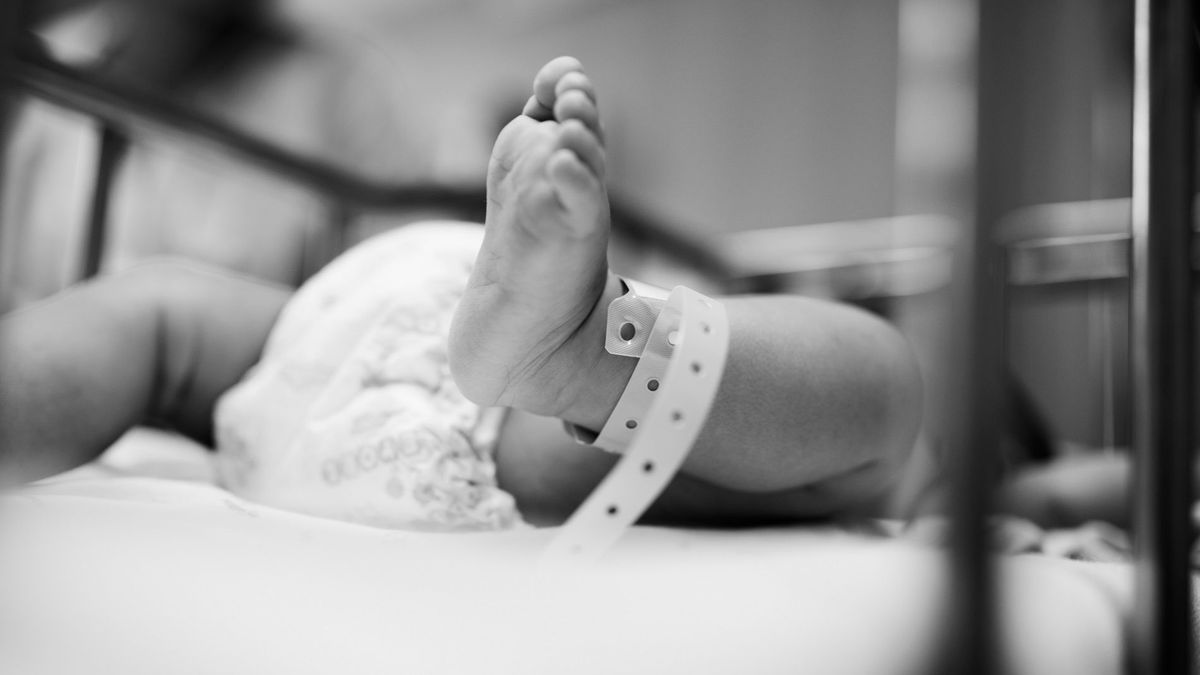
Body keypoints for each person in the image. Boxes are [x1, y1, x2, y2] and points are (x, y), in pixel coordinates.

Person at [0, 57, 923, 527]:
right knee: (885, 393)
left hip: (325, 335)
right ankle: (590, 348)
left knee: (158, 315)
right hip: (503, 400)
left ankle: (580, 341)